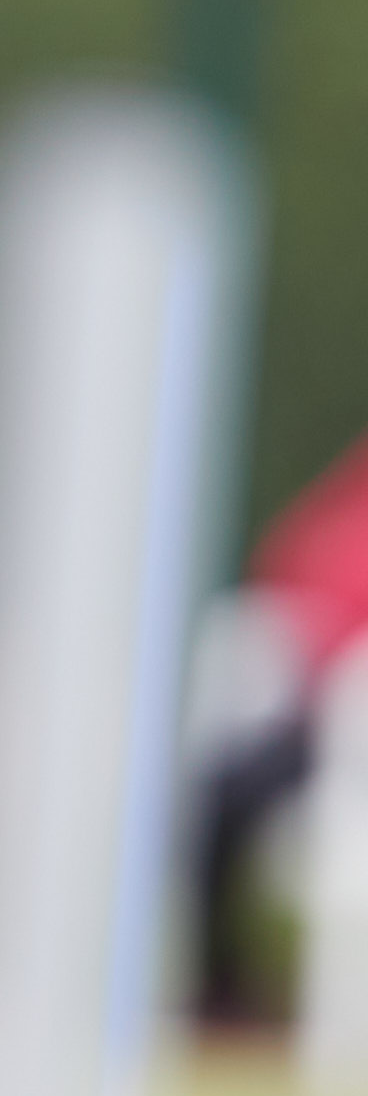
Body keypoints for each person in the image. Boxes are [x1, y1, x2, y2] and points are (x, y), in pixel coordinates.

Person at [192, 431, 368, 1024]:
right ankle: (223, 989)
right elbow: (290, 562)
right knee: (220, 798)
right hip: (315, 714)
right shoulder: (352, 496)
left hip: (348, 730)